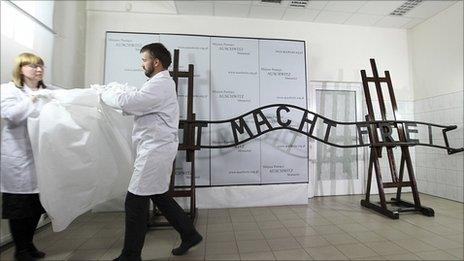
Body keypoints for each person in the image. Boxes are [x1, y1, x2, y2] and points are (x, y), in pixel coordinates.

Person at [109, 43, 202, 261]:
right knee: (158, 195)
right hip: (155, 148)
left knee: (134, 200)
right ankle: (190, 234)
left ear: (156, 62)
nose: (142, 64)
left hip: (156, 150)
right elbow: (136, 98)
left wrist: (106, 93)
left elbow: (131, 103)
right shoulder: (157, 84)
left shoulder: (160, 85)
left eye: (144, 60)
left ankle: (130, 255)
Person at [1, 53, 49, 261]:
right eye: (32, 66)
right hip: (18, 158)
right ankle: (20, 250)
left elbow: (72, 98)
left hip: (41, 157)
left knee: (36, 205)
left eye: (40, 66)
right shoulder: (8, 90)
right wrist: (33, 99)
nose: (38, 70)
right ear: (21, 69)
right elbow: (11, 115)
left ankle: (29, 245)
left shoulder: (49, 90)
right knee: (19, 207)